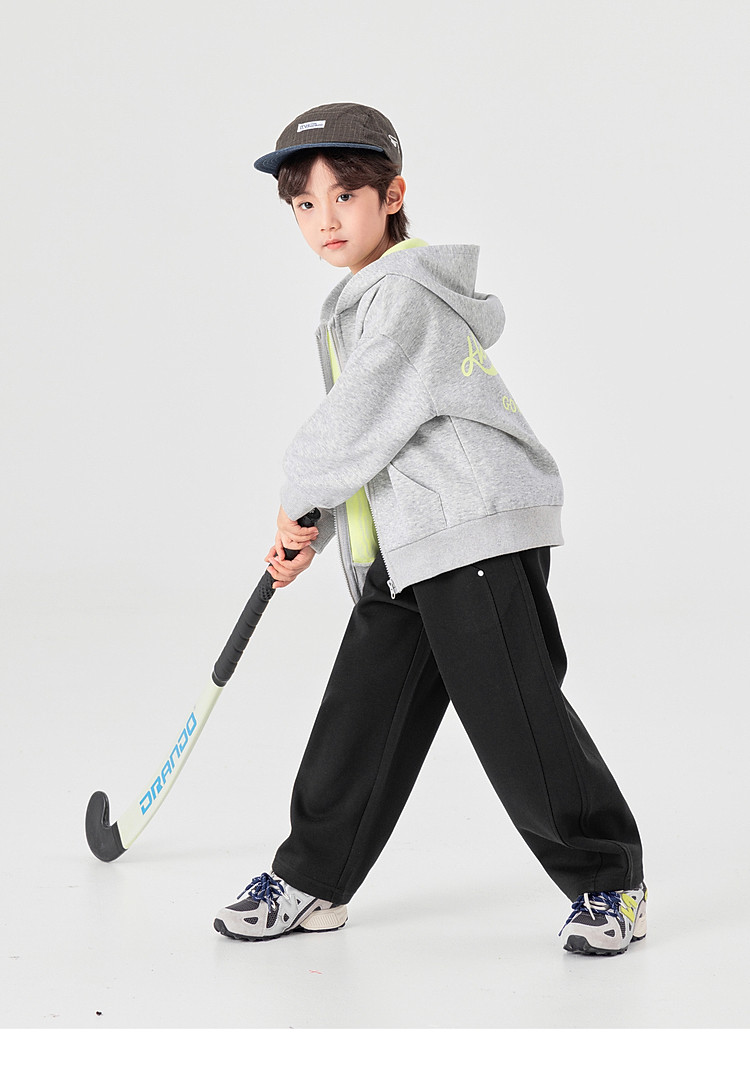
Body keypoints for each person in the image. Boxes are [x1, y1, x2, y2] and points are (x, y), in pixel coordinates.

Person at [213, 102, 646, 956]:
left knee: (514, 716)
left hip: (473, 531)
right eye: (305, 204)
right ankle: (314, 878)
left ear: (393, 195)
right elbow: (376, 438)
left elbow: (353, 420)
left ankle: (609, 883)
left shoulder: (405, 292)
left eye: (346, 195)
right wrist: (315, 527)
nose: (326, 219)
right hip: (413, 540)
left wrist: (296, 500)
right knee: (362, 709)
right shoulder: (365, 298)